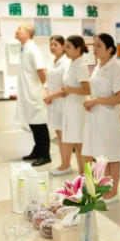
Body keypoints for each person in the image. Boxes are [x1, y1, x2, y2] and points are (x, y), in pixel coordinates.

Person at [81, 33, 120, 202]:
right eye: (94, 45)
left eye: (99, 45)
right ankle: (107, 189)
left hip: (109, 118)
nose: (95, 48)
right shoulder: (98, 67)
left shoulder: (115, 68)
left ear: (110, 49)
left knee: (113, 156)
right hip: (97, 117)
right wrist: (90, 100)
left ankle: (114, 192)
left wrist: (95, 101)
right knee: (103, 156)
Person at [51, 35, 91, 175]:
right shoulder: (72, 64)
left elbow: (87, 90)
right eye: (65, 46)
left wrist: (69, 90)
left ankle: (86, 178)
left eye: (68, 47)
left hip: (78, 110)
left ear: (78, 49)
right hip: (70, 108)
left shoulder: (80, 66)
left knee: (81, 145)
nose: (65, 49)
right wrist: (65, 89)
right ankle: (82, 176)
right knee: (77, 145)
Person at [15, 23, 51, 167]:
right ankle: (37, 150)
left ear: (27, 34)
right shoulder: (25, 50)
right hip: (28, 94)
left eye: (19, 29)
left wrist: (46, 88)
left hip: (35, 94)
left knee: (39, 125)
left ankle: (45, 155)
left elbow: (41, 71)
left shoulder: (33, 50)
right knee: (33, 124)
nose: (16, 31)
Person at [43, 35, 70, 173]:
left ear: (63, 46)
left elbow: (66, 87)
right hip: (53, 103)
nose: (52, 47)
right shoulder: (53, 62)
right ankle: (63, 163)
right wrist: (46, 93)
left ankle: (66, 165)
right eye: (51, 44)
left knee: (64, 135)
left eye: (56, 44)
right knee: (58, 134)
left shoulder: (66, 63)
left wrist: (50, 96)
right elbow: (48, 82)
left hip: (62, 103)